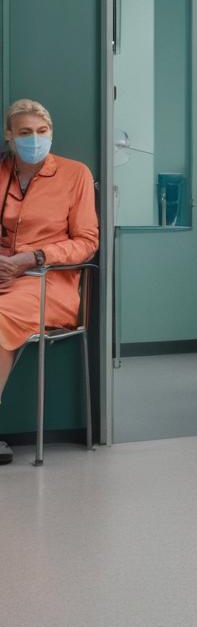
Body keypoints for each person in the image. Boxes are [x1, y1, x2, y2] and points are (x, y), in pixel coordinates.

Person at [0, 99, 99, 466]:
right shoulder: (2, 171)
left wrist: (33, 258)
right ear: (9, 135)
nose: (35, 139)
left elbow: (88, 241)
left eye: (42, 132)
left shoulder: (76, 175)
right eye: (25, 132)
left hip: (47, 282)